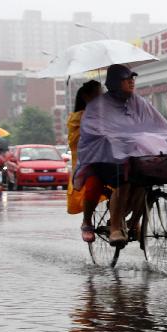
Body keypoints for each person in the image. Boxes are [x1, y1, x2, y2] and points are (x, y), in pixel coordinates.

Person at [74, 64, 167, 247]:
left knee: (145, 181)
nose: (132, 82)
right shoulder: (97, 107)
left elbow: (158, 125)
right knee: (124, 181)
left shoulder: (139, 102)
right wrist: (114, 140)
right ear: (115, 83)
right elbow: (93, 131)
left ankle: (133, 221)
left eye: (133, 78)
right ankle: (116, 227)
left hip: (135, 157)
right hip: (105, 159)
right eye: (127, 79)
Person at [65, 80, 103, 241]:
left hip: (115, 156)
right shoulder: (79, 118)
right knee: (94, 184)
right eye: (97, 94)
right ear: (86, 97)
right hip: (90, 161)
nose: (102, 97)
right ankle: (87, 221)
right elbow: (78, 143)